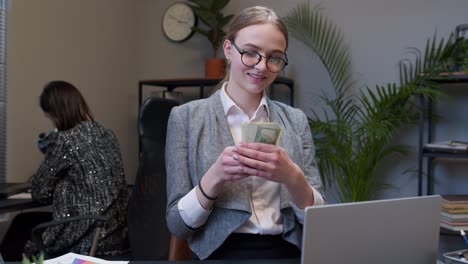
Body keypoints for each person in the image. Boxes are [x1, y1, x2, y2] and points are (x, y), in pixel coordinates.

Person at [166, 6, 325, 260]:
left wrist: (293, 176)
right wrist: (214, 177)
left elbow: (319, 221)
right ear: (229, 50)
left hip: (286, 253)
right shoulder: (186, 118)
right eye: (251, 53)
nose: (262, 66)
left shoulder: (295, 121)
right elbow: (177, 225)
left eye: (274, 57)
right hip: (218, 254)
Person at [20, 80, 129, 258]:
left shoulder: (64, 141)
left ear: (55, 115)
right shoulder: (108, 135)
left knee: (20, 228)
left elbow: (40, 192)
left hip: (82, 237)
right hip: (114, 236)